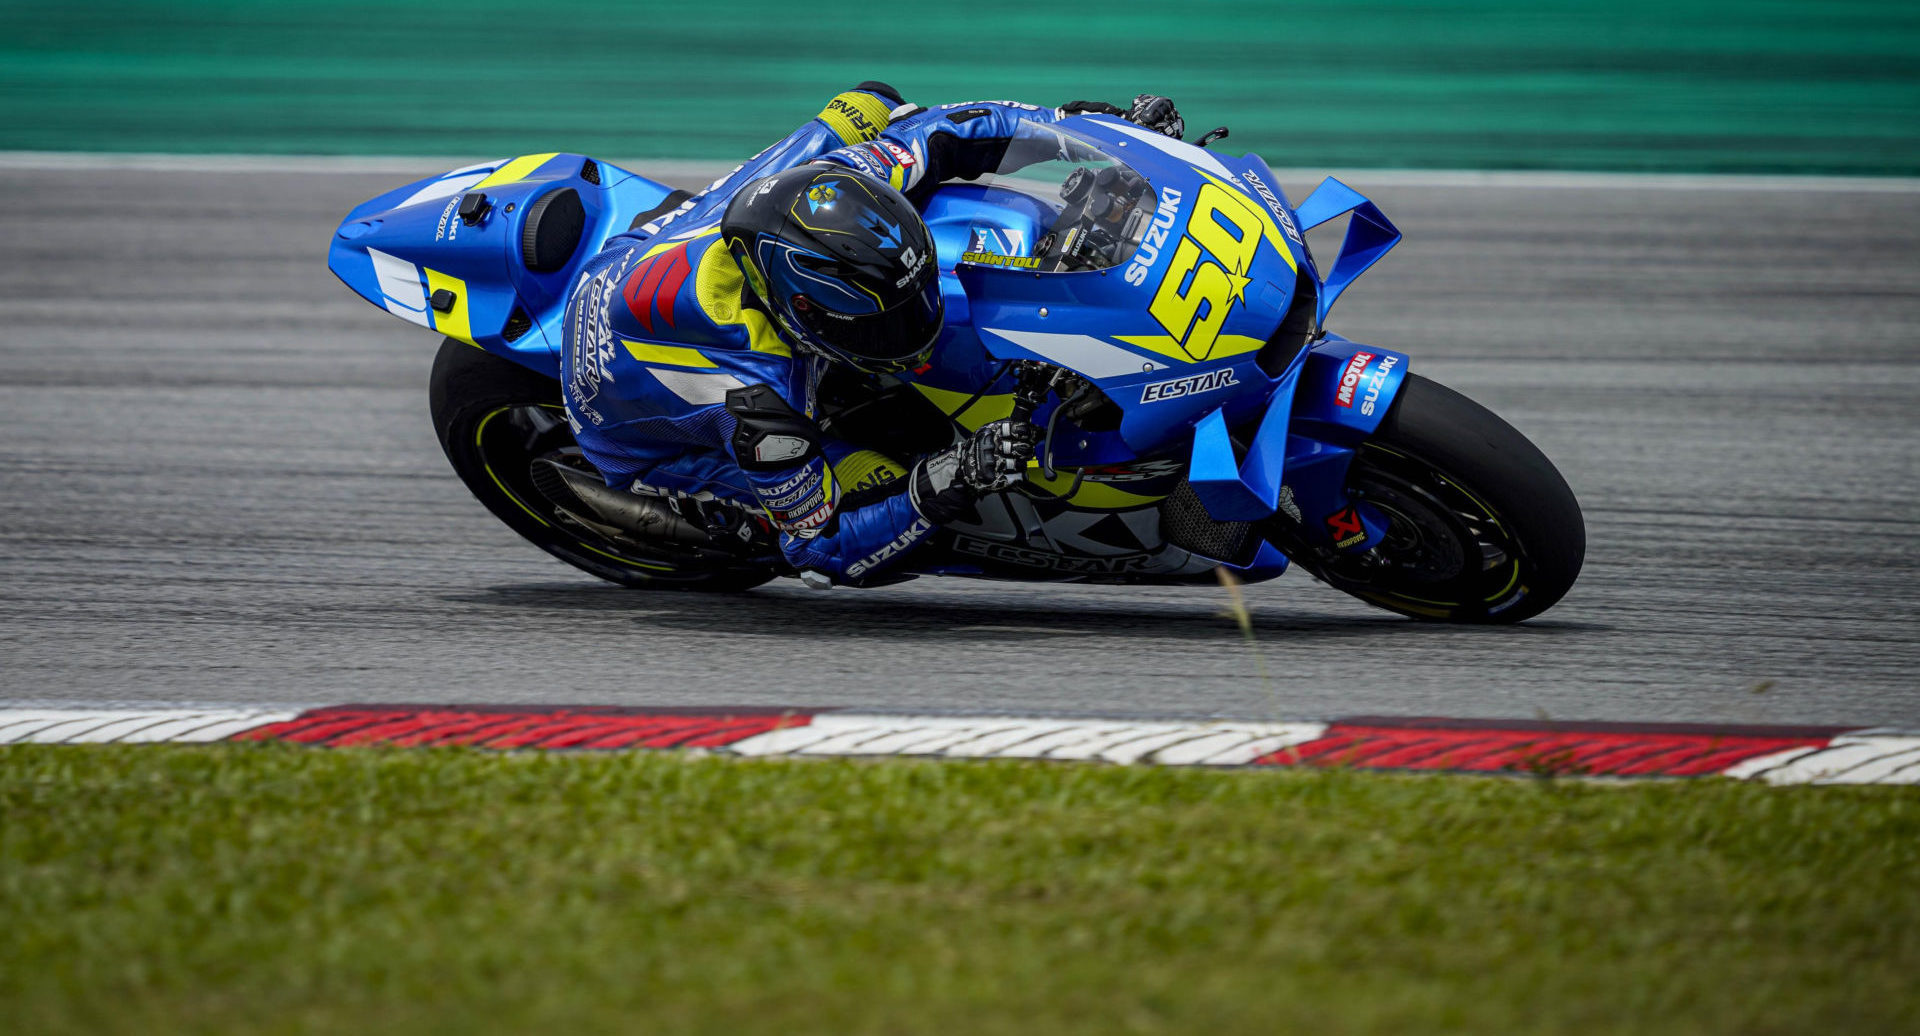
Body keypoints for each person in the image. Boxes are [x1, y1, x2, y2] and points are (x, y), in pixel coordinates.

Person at [560, 83, 1184, 587]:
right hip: (630, 424)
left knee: (872, 105)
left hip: (646, 252)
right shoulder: (761, 408)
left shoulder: (836, 176)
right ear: (802, 316)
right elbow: (819, 549)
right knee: (879, 481)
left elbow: (952, 127)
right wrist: (954, 476)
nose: (914, 328)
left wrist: (1085, 136)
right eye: (885, 323)